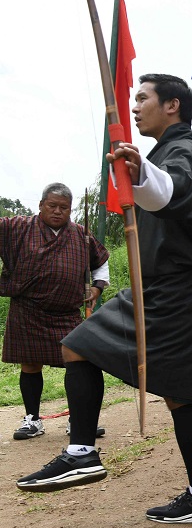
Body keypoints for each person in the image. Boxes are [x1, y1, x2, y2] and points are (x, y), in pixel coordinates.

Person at [16, 73, 192, 525]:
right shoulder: (166, 154)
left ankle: (85, 452)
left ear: (173, 106)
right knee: (166, 387)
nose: (134, 106)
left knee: (173, 391)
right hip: (161, 289)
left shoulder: (184, 152)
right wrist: (142, 170)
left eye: (143, 98)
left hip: (180, 291)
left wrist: (140, 171)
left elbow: (172, 189)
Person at [2, 183, 109, 440]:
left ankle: (78, 420)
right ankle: (33, 420)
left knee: (78, 365)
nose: (58, 212)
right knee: (30, 365)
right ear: (41, 205)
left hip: (68, 313)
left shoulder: (82, 235)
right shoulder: (18, 227)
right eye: (52, 206)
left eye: (64, 208)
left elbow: (101, 263)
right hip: (28, 310)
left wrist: (97, 288)